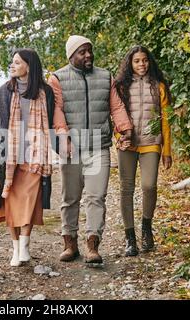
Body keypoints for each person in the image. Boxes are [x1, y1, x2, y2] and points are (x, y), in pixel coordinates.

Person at [48, 35, 133, 265]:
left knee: (96, 197)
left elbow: (116, 106)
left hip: (98, 145)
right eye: (82, 52)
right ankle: (70, 243)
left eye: (89, 51)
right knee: (70, 198)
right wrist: (63, 136)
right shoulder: (57, 78)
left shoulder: (105, 76)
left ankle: (93, 245)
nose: (88, 55)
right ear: (71, 56)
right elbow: (56, 110)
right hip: (72, 148)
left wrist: (124, 128)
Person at [0, 48, 54, 267]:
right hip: (11, 155)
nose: (13, 66)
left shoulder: (45, 91)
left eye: (17, 62)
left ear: (29, 66)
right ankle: (15, 247)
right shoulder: (5, 91)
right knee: (9, 201)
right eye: (12, 62)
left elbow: (49, 124)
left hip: (36, 154)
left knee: (30, 200)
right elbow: (1, 125)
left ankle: (25, 245)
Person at [114, 45, 173, 256]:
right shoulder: (121, 86)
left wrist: (167, 149)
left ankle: (146, 228)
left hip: (151, 142)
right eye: (137, 61)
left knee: (149, 186)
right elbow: (115, 114)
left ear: (150, 62)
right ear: (130, 63)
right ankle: (130, 238)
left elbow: (166, 119)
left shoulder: (159, 86)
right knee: (126, 188)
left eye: (145, 60)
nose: (142, 64)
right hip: (128, 144)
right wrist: (120, 136)